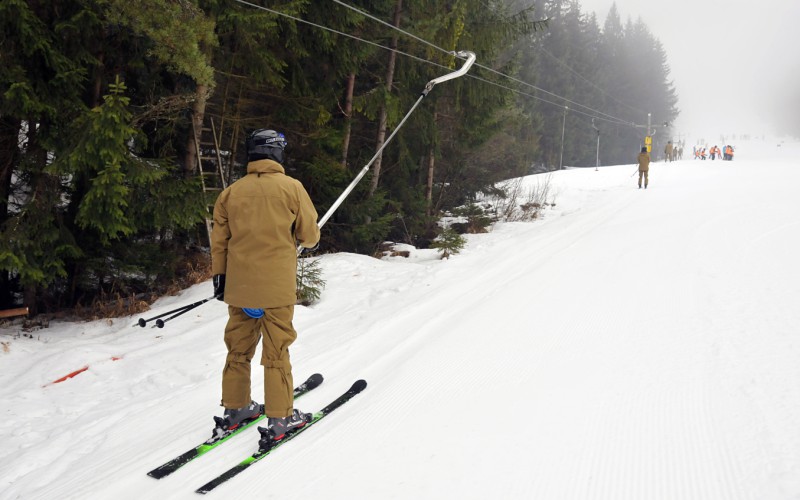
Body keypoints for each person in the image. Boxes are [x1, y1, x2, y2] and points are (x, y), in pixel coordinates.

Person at [210, 128, 320, 447]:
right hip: (275, 288)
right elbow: (310, 235)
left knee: (238, 349)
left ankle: (236, 409)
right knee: (276, 352)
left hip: (239, 287)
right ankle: (280, 417)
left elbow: (220, 243)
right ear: (277, 153)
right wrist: (302, 238)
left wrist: (221, 280)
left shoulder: (230, 194)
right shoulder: (292, 188)